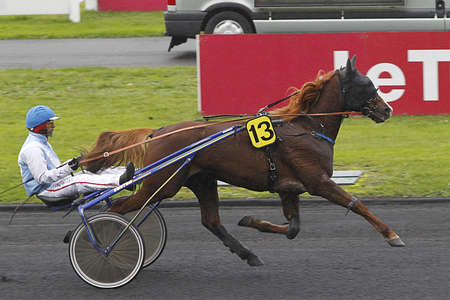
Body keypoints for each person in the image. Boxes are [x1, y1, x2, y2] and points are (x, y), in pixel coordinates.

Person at [18, 105, 134, 207]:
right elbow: (43, 178)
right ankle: (120, 180)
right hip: (47, 191)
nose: (54, 126)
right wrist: (69, 167)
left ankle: (132, 175)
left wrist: (74, 162)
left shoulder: (42, 143)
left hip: (55, 184)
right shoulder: (33, 149)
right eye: (50, 123)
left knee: (94, 172)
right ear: (40, 126)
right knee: (79, 180)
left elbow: (54, 169)